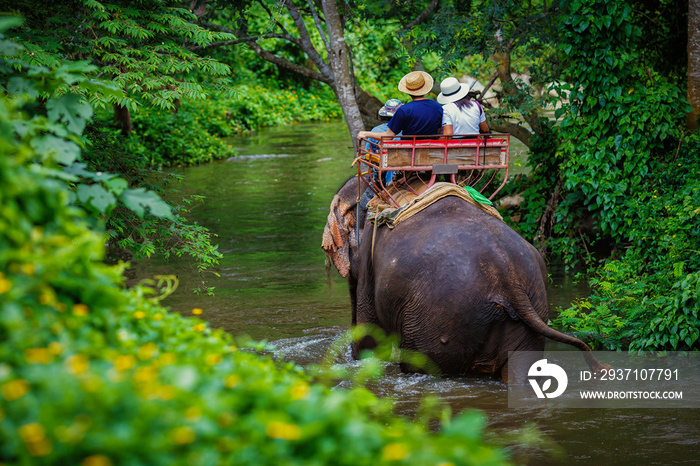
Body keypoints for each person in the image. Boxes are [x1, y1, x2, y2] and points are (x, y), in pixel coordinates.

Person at [357, 71, 443, 142]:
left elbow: (388, 136)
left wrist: (366, 134)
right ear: (425, 88)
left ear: (408, 91)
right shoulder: (437, 107)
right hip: (430, 148)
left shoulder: (404, 110)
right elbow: (438, 132)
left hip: (408, 151)